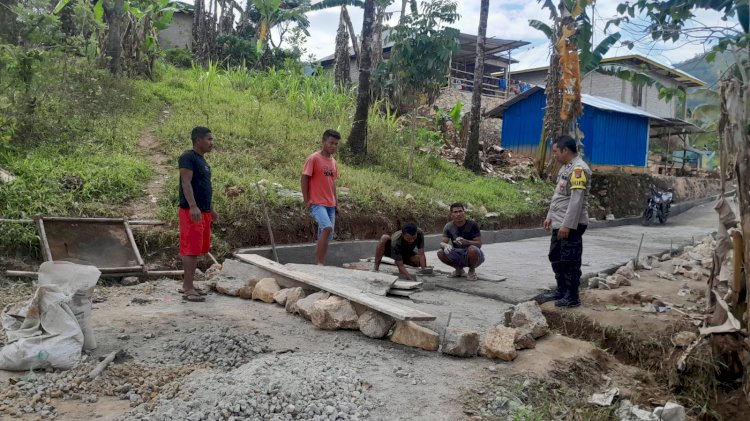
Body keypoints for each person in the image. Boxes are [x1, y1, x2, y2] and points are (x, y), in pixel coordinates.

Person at [541, 135, 591, 308]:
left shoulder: (578, 169)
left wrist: (567, 225)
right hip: (559, 221)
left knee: (570, 260)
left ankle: (572, 296)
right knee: (555, 256)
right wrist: (550, 216)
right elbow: (559, 196)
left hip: (571, 224)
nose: (554, 155)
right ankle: (561, 290)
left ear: (565, 150)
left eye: (555, 152)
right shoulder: (566, 168)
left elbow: (576, 201)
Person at [178, 126, 218, 302]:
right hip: (191, 211)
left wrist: (211, 209)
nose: (212, 143)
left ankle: (190, 285)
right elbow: (186, 182)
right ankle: (187, 287)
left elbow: (204, 188)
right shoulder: (188, 157)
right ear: (198, 140)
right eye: (209, 139)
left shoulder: (203, 161)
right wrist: (193, 206)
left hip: (203, 211)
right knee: (191, 249)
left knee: (199, 248)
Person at [301, 129, 341, 265]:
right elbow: (304, 178)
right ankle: (319, 263)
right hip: (317, 202)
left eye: (336, 144)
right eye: (331, 143)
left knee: (326, 235)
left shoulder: (334, 162)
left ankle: (320, 263)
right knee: (327, 228)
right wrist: (307, 200)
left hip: (330, 204)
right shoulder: (313, 159)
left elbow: (332, 183)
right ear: (323, 142)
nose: (333, 146)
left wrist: (336, 202)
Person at [437, 203, 484, 281]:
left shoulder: (472, 225)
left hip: (473, 254)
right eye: (455, 212)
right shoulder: (448, 226)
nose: (458, 214)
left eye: (460, 211)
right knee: (440, 253)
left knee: (472, 249)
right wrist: (445, 245)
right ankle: (458, 269)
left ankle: (472, 270)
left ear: (464, 212)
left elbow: (479, 244)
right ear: (451, 214)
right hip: (457, 253)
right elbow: (442, 242)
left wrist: (467, 242)